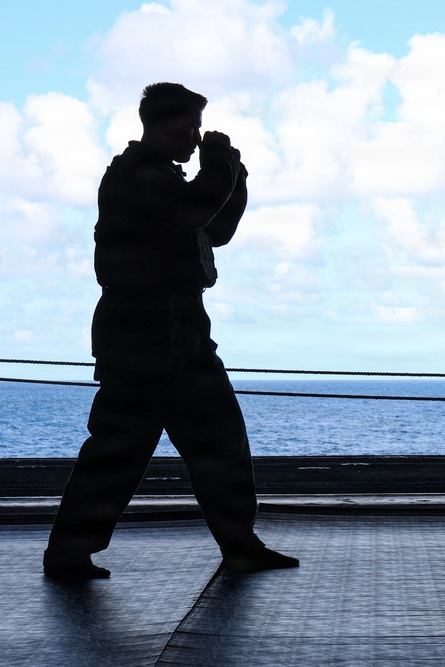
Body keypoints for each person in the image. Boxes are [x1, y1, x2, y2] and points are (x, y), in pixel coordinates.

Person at [43, 82, 298, 579]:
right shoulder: (136, 177)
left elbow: (214, 230)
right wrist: (220, 164)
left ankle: (239, 542)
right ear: (162, 124)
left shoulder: (163, 180)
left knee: (221, 441)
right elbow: (196, 209)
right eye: (190, 126)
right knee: (118, 448)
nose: (195, 136)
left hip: (182, 332)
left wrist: (234, 178)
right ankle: (69, 551)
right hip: (141, 336)